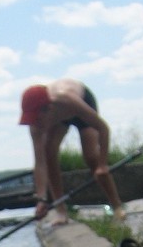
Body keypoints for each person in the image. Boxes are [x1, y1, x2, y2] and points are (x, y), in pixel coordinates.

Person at [19, 79, 125, 225]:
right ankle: (61, 211)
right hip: (60, 116)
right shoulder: (35, 126)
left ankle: (117, 206)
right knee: (48, 151)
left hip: (81, 103)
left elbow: (103, 128)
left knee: (91, 156)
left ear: (48, 108)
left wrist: (102, 164)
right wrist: (41, 198)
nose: (35, 123)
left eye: (37, 119)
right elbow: (40, 162)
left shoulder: (67, 100)